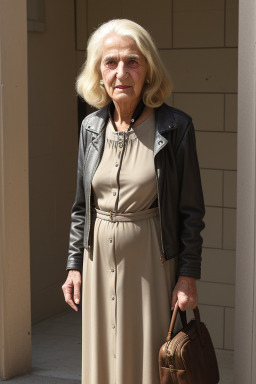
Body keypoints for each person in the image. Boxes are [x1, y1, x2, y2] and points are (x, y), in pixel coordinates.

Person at [62, 18, 205, 384]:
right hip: (97, 263)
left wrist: (187, 276)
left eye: (132, 61)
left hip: (150, 263)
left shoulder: (174, 128)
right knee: (102, 359)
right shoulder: (90, 128)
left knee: (147, 360)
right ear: (98, 72)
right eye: (110, 62)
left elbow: (191, 211)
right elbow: (82, 205)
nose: (121, 72)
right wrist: (74, 266)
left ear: (148, 71)